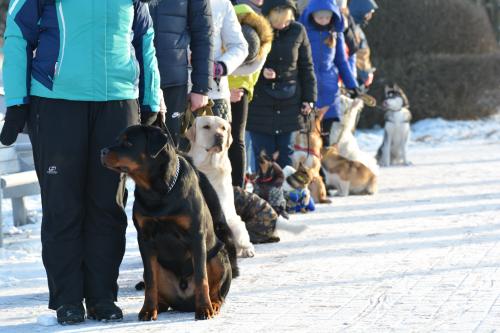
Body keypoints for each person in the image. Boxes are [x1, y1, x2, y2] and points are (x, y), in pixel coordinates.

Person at [0, 0, 160, 325]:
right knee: (63, 205)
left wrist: (150, 98)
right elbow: (17, 35)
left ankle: (103, 298)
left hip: (117, 102)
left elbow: (145, 38)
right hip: (57, 101)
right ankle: (68, 299)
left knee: (108, 206)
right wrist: (16, 101)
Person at [247, 0, 317, 168]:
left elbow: (306, 67)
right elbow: (246, 61)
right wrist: (261, 71)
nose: (283, 25)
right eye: (278, 22)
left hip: (290, 101)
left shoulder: (298, 31)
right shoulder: (255, 29)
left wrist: (309, 98)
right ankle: (262, 191)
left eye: (286, 21)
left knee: (286, 155)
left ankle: (285, 191)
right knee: (263, 156)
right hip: (260, 101)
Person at [150, 0, 213, 150]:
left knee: (169, 151)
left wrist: (201, 88)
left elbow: (203, 35)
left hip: (172, 83)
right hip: (129, 81)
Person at [299, 0, 360, 146]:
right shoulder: (302, 32)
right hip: (307, 90)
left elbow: (342, 62)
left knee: (326, 140)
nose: (323, 20)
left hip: (329, 92)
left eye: (327, 17)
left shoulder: (335, 34)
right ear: (311, 15)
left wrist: (352, 85)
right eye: (319, 17)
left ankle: (324, 168)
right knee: (308, 140)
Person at [228, 4, 273, 187]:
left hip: (238, 92)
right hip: (220, 87)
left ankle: (237, 188)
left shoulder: (261, 40)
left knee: (235, 138)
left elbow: (253, 69)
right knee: (225, 139)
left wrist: (244, 88)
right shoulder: (226, 24)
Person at [208, 0, 248, 121]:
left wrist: (220, 67)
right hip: (174, 90)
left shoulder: (222, 4)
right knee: (173, 140)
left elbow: (240, 46)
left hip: (214, 94)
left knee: (218, 139)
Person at [348, 0, 378, 90]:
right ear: (360, 10)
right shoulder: (351, 30)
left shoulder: (357, 28)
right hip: (354, 79)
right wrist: (364, 75)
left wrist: (368, 72)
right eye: (369, 12)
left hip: (360, 78)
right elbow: (352, 55)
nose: (370, 16)